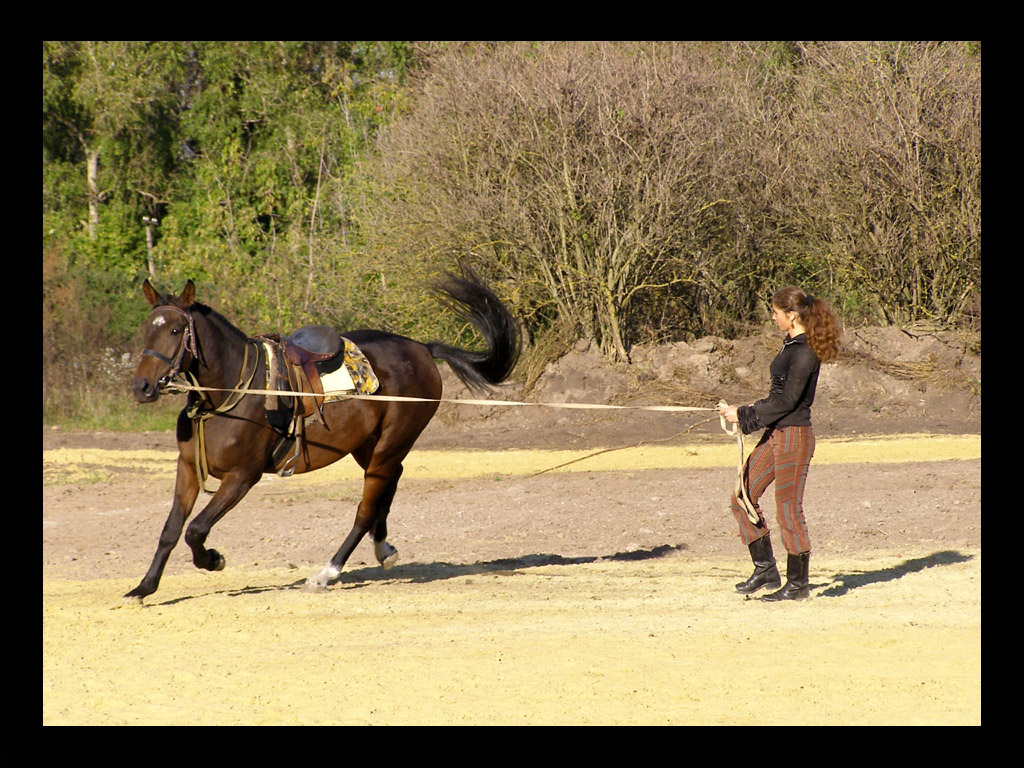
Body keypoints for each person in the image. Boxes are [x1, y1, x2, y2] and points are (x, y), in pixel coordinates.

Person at [717, 287, 842, 601]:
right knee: (741, 497)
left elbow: (788, 401)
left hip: (793, 438)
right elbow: (777, 399)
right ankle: (766, 569)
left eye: (775, 312)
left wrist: (745, 414)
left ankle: (798, 585)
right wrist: (741, 410)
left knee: (788, 511)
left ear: (792, 315)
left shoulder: (804, 352)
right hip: (775, 434)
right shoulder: (791, 346)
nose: (772, 317)